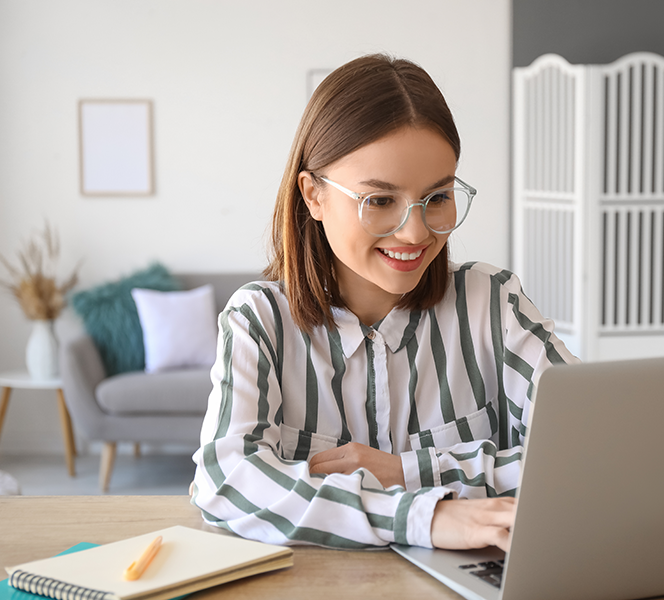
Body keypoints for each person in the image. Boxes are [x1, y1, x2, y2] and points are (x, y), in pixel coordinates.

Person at [191, 54, 577, 551]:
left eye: (437, 197)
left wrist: (405, 471)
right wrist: (423, 518)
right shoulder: (259, 321)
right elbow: (226, 484)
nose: (415, 231)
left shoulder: (494, 305)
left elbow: (593, 452)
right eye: (379, 200)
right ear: (312, 196)